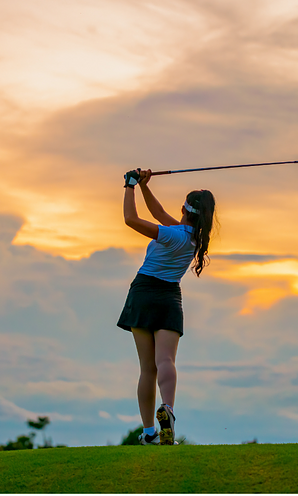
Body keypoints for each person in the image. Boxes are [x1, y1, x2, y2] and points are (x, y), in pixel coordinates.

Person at [118, 168, 216, 445]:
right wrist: (144, 186)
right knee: (166, 361)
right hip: (170, 298)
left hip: (143, 293)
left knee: (148, 369)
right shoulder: (194, 239)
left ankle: (149, 432)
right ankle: (168, 409)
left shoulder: (172, 235)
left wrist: (130, 185)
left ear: (183, 209)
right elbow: (159, 213)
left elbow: (131, 219)